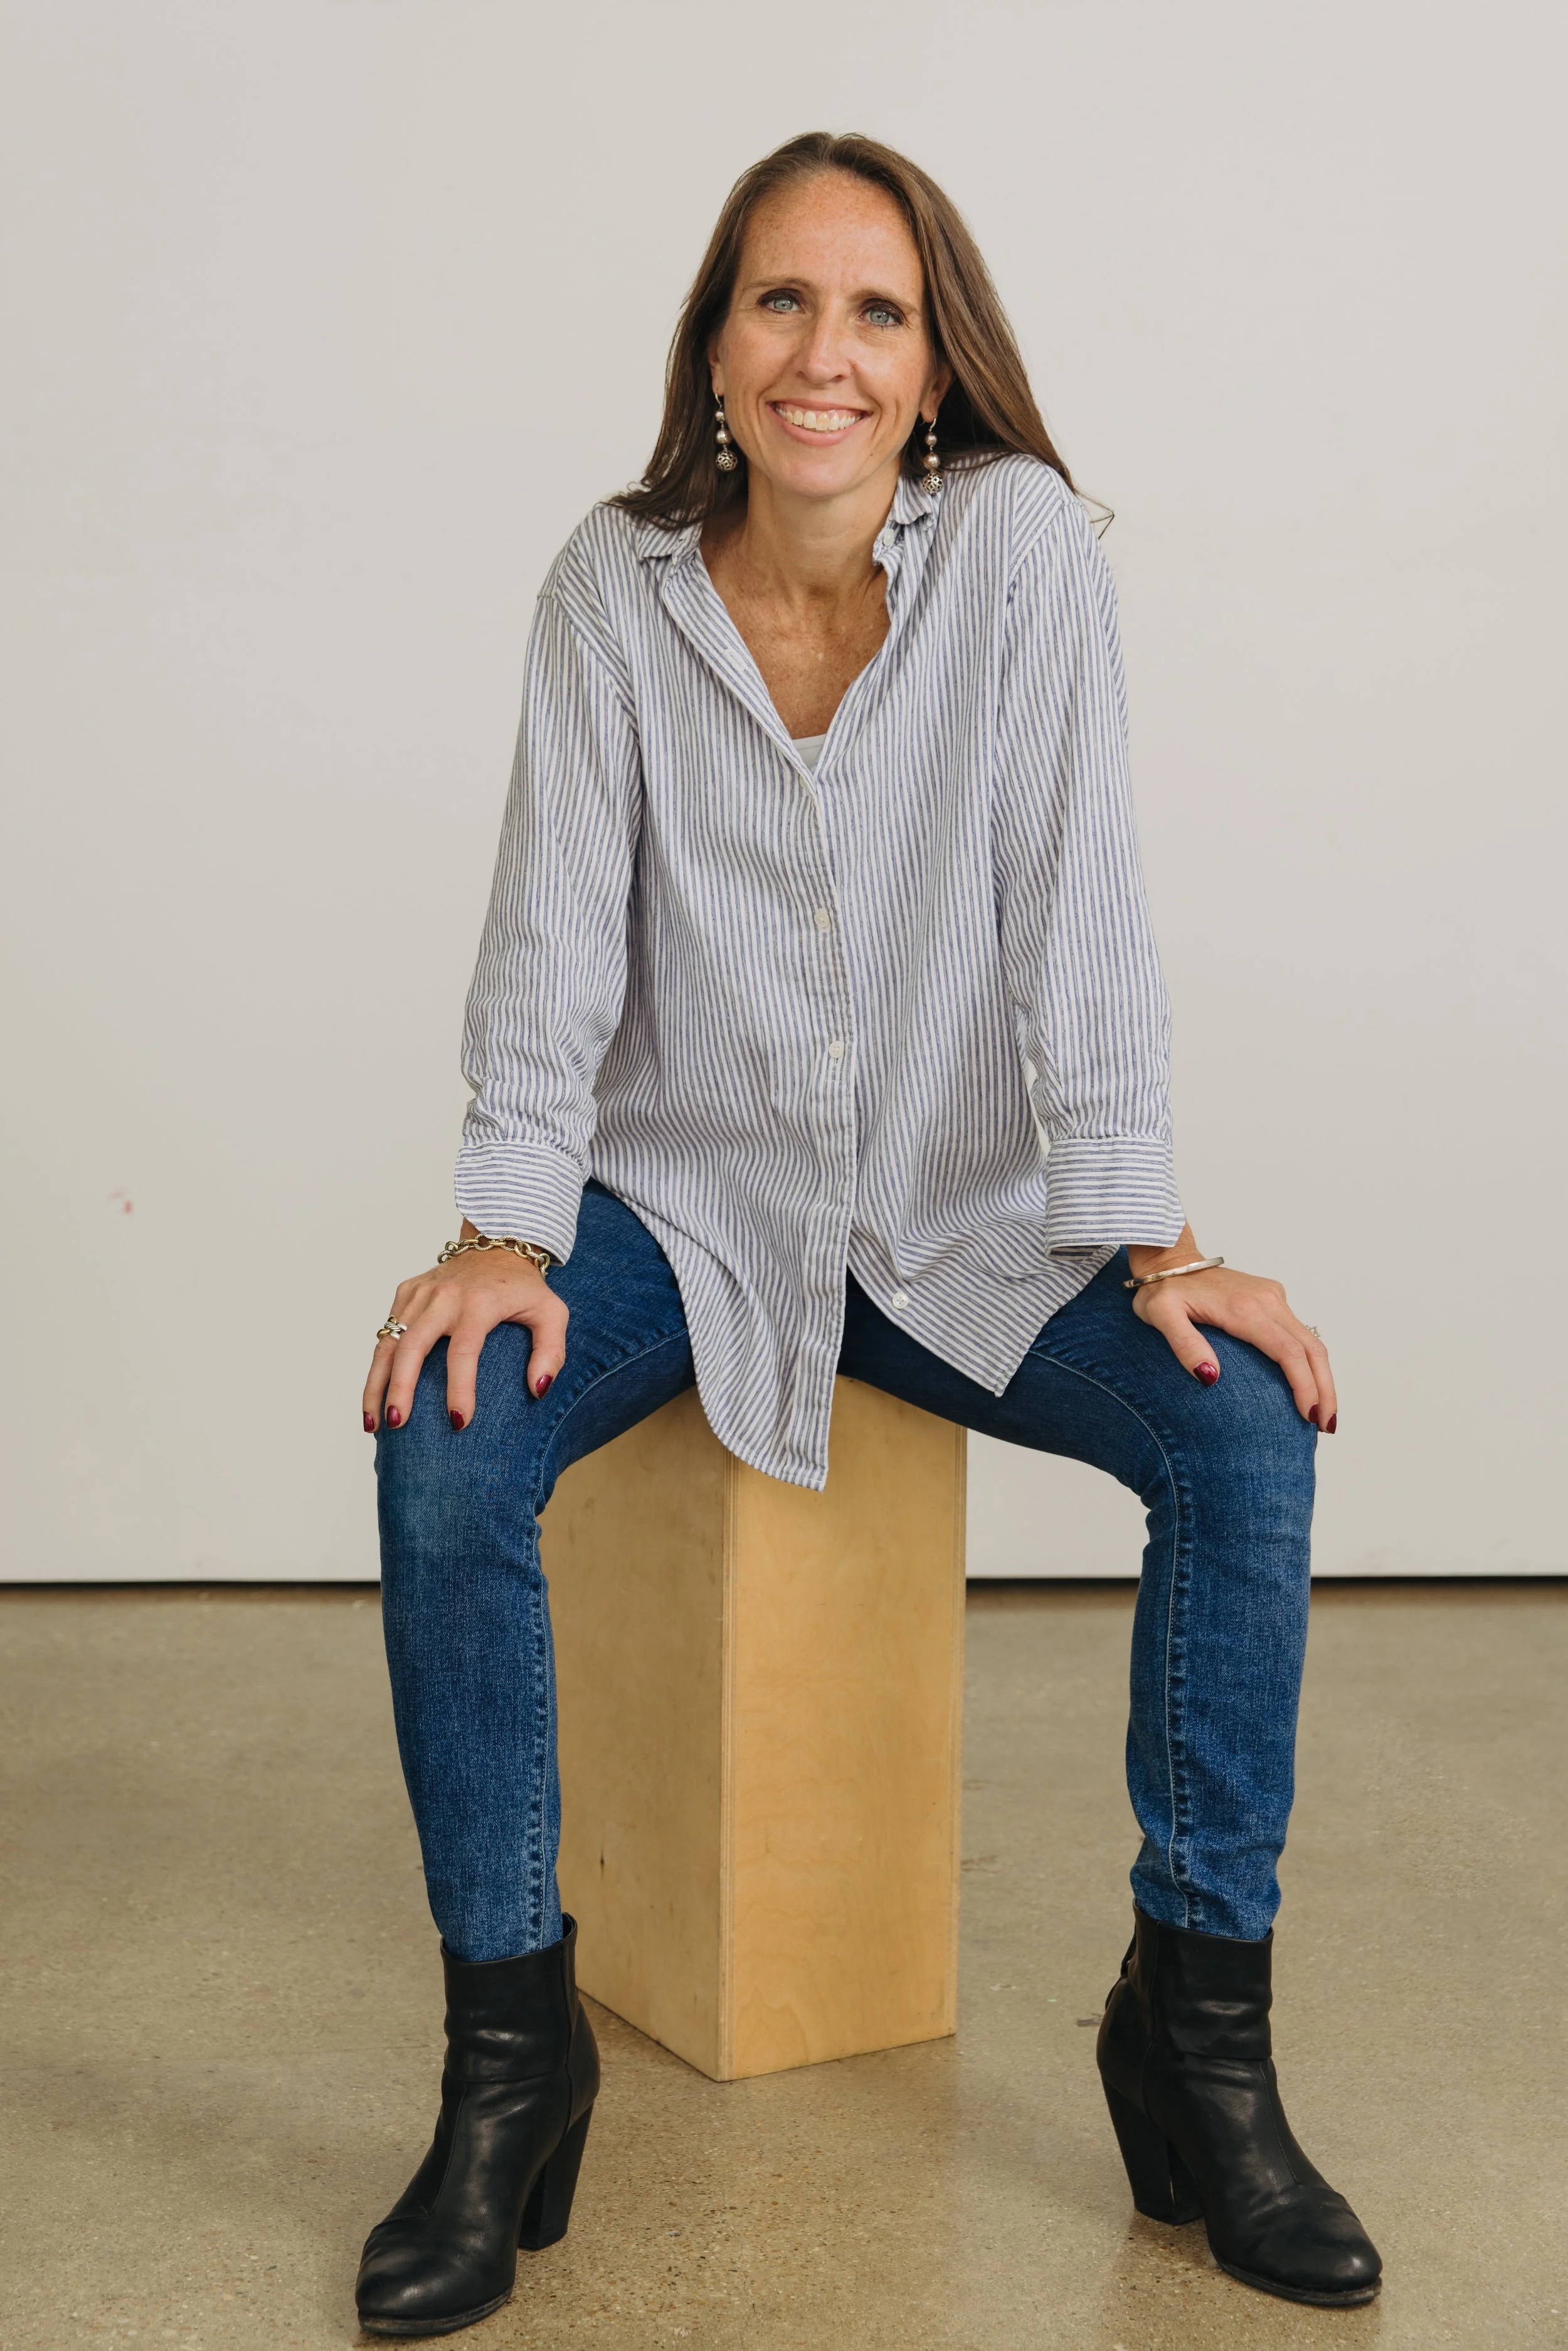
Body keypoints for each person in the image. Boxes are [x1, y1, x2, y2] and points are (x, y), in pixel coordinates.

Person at [353, 130, 1380, 2337]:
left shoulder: (1019, 558)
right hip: (681, 1213)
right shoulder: (606, 591)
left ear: (935, 372)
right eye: (779, 303)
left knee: (1241, 1442)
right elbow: (547, 948)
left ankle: (1196, 2048)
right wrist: (498, 1236)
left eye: (877, 312)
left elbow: (1079, 917)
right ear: (715, 351)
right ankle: (505, 2068)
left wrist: (1155, 1239)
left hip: (955, 1228)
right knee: (440, 1448)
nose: (825, 352)